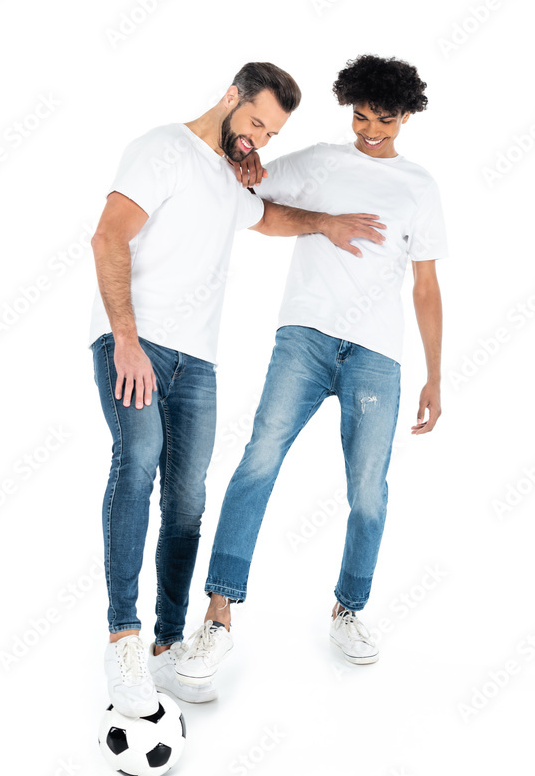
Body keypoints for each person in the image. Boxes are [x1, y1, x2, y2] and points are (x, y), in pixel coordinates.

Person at [88, 61, 387, 716]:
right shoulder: (162, 148)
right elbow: (108, 235)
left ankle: (168, 647)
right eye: (253, 122)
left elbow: (266, 215)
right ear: (228, 97)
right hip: (132, 343)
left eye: (271, 133)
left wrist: (325, 225)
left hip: (196, 364)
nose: (257, 139)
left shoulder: (228, 176)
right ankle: (124, 643)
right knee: (136, 464)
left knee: (188, 503)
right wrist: (126, 338)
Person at [174, 54, 448, 687]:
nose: (370, 131)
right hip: (305, 338)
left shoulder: (420, 188)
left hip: (377, 355)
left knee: (369, 492)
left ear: (407, 116)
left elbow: (426, 286)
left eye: (384, 120)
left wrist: (435, 374)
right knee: (259, 460)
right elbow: (254, 182)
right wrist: (247, 165)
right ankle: (218, 616)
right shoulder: (325, 161)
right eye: (359, 118)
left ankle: (348, 610)